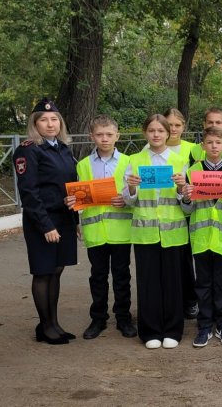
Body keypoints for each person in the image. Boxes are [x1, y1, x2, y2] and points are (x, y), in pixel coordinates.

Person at [12, 97, 79, 345]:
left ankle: (53, 324)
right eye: (44, 120)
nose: (50, 124)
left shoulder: (63, 148)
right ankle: (45, 326)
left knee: (57, 270)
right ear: (35, 124)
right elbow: (29, 193)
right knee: (43, 272)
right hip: (43, 221)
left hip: (63, 218)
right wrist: (46, 226)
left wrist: (75, 218)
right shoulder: (28, 150)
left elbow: (69, 188)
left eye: (54, 119)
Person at [123, 114, 189, 349]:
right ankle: (150, 331)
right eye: (151, 130)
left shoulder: (181, 160)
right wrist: (131, 187)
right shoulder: (134, 159)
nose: (156, 134)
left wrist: (183, 188)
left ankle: (172, 329)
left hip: (173, 231)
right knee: (148, 282)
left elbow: (187, 202)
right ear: (145, 133)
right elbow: (129, 201)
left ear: (168, 133)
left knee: (173, 283)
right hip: (146, 231)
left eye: (160, 130)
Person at [69, 116, 137, 340]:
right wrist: (77, 218)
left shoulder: (129, 162)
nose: (104, 139)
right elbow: (79, 197)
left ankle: (123, 317)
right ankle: (98, 318)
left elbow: (134, 194)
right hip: (95, 231)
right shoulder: (83, 164)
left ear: (117, 136)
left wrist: (125, 199)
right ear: (92, 137)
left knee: (121, 275)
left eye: (109, 134)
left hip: (120, 231)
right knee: (97, 276)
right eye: (99, 134)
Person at [181, 127, 222, 347]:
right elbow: (187, 211)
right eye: (209, 142)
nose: (214, 146)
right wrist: (186, 198)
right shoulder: (193, 171)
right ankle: (204, 326)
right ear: (202, 146)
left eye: (218, 142)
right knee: (203, 284)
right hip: (201, 237)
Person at [164, 108, 199, 320]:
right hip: (164, 212)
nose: (173, 129)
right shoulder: (151, 147)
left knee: (187, 258)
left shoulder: (193, 149)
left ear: (184, 127)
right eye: (169, 125)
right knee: (171, 260)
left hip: (187, 209)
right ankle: (172, 300)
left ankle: (190, 300)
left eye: (177, 125)